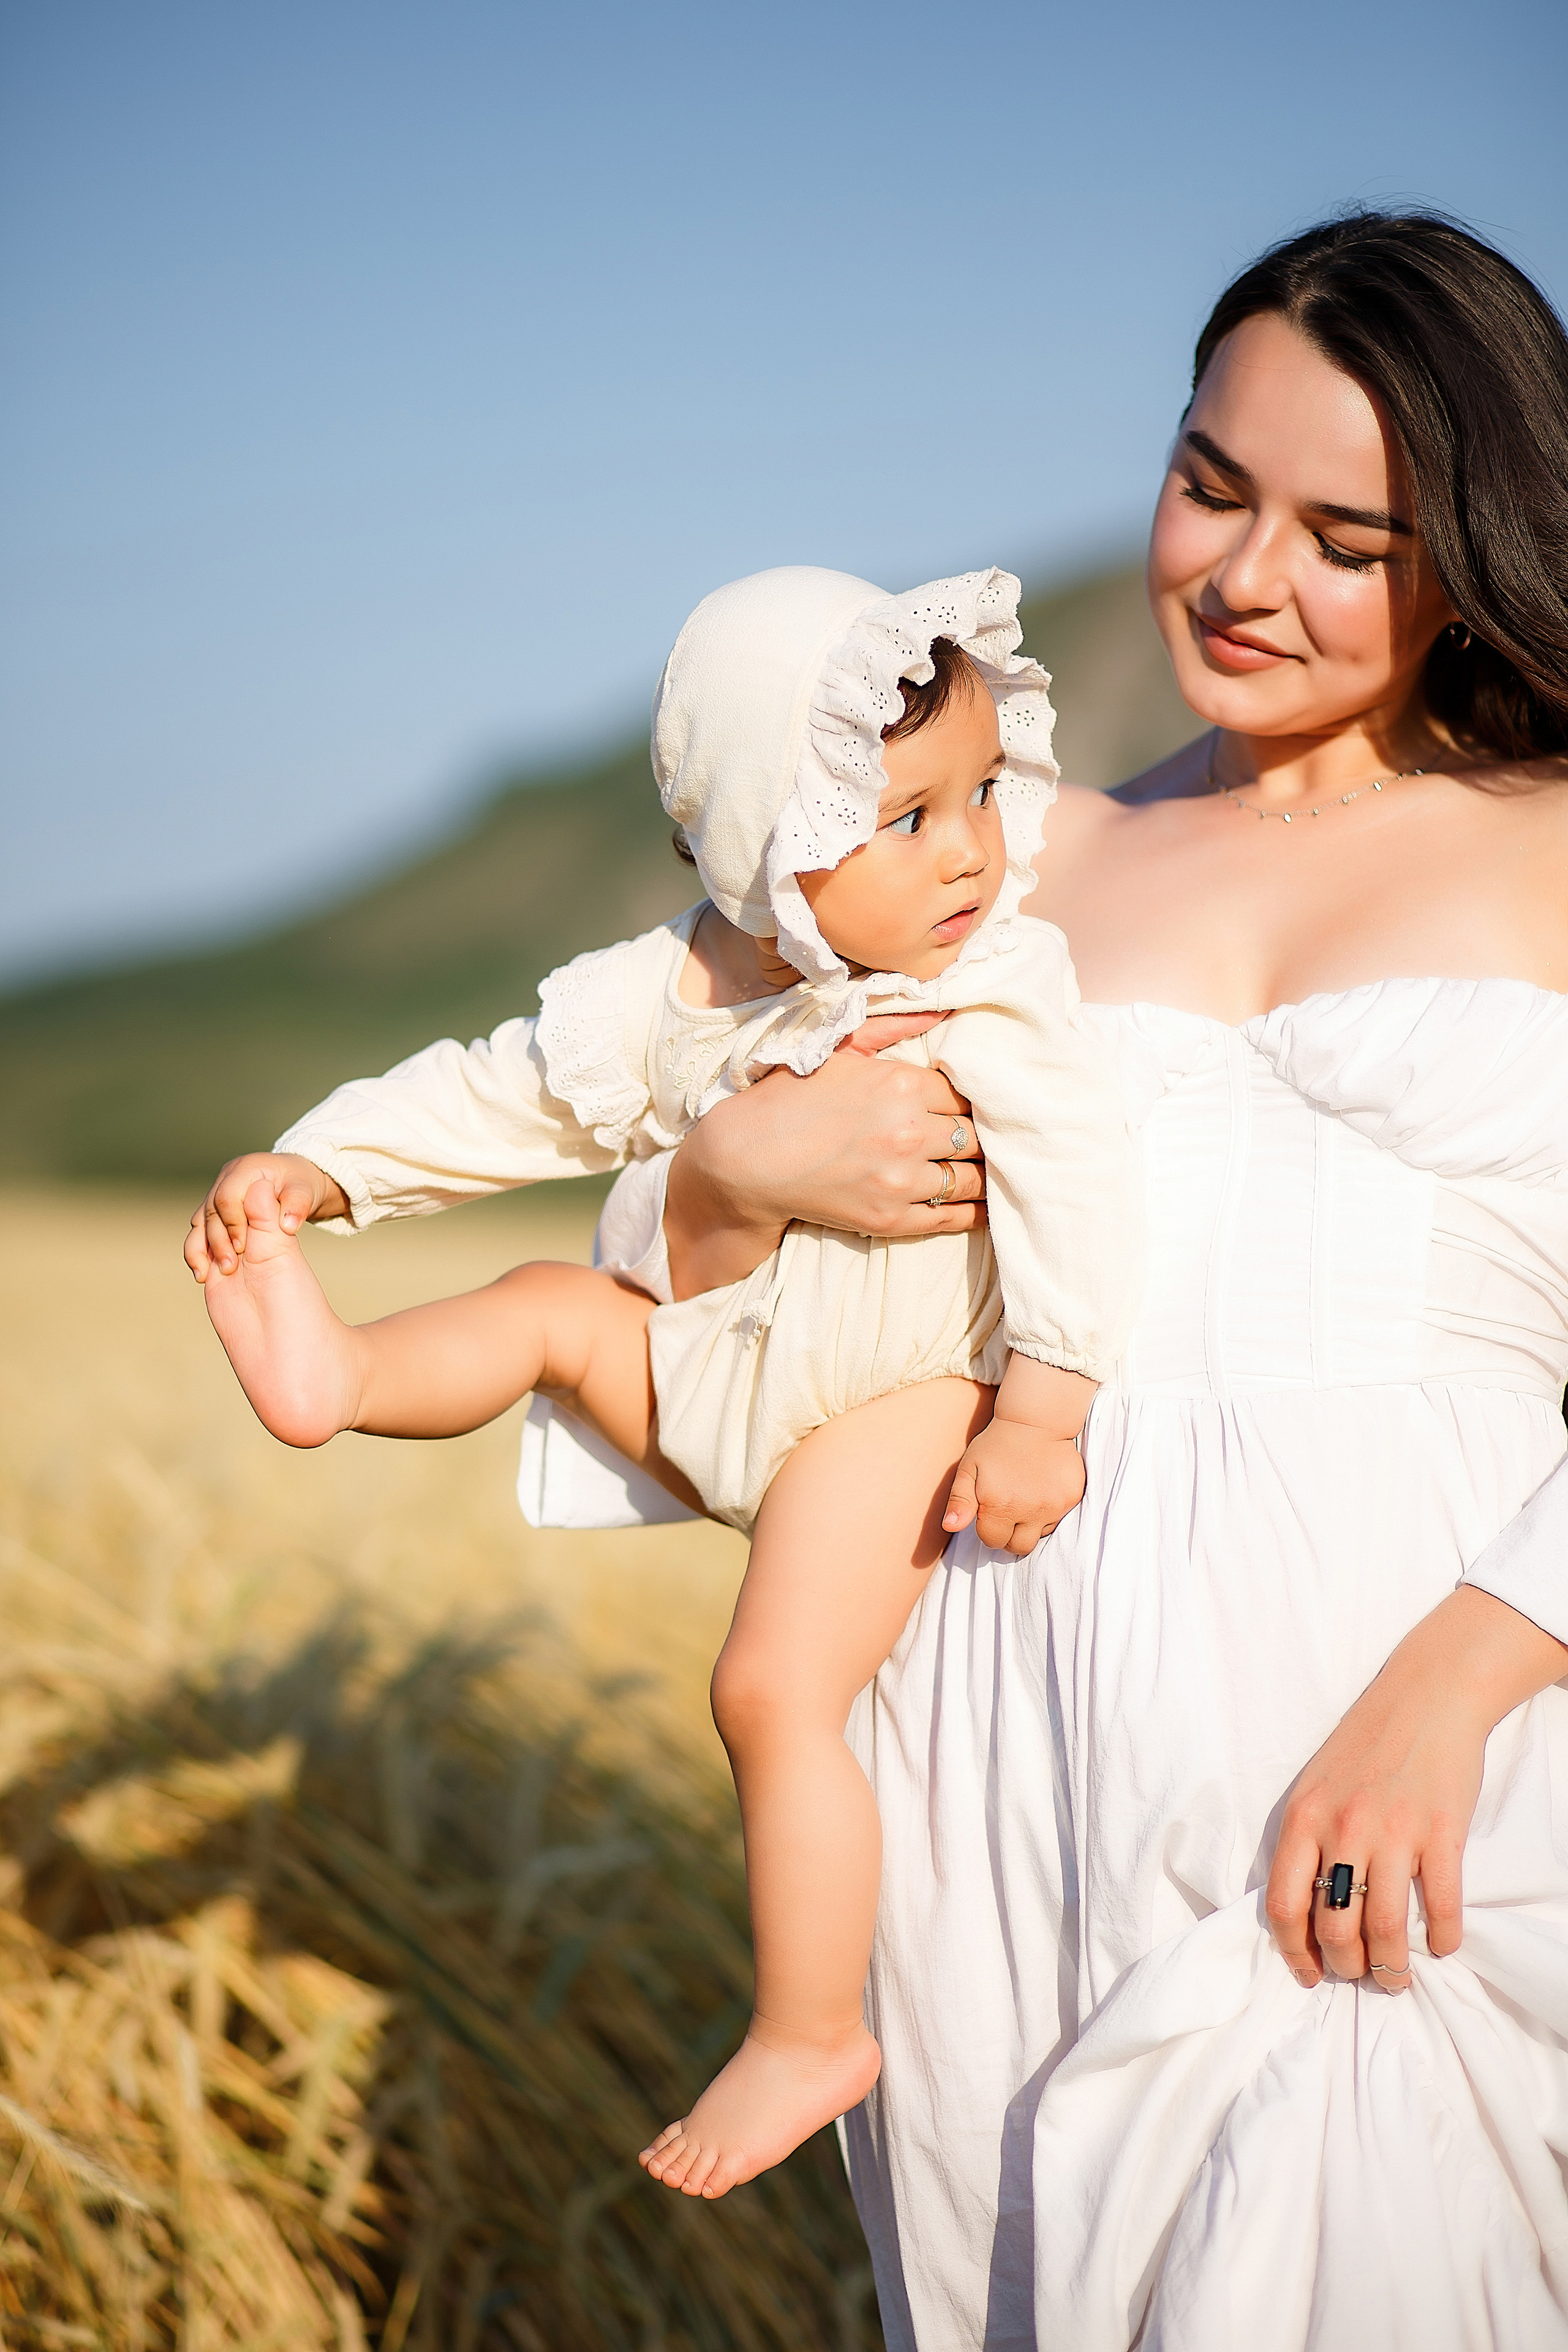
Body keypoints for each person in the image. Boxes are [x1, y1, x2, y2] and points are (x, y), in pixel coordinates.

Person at [589, 212, 1568, 2345]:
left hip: (1421, 1744)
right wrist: (747, 1165)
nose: (1241, 575)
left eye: (1347, 534)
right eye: (1212, 484)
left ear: (1477, 546)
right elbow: (650, 1263)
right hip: (999, 1739)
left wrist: (1459, 1680)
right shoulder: (1004, 863)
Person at [186, 564, 1143, 2201]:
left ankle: (806, 2024)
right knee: (553, 1303)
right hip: (731, 1370)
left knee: (770, 1687)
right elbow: (503, 1098)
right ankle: (335, 1373)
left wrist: (1043, 1406)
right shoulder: (680, 986)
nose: (975, 846)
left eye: (983, 791)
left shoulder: (986, 984)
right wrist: (326, 1169)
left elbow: (1077, 1183)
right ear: (769, 842)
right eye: (908, 817)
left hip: (895, 1405)